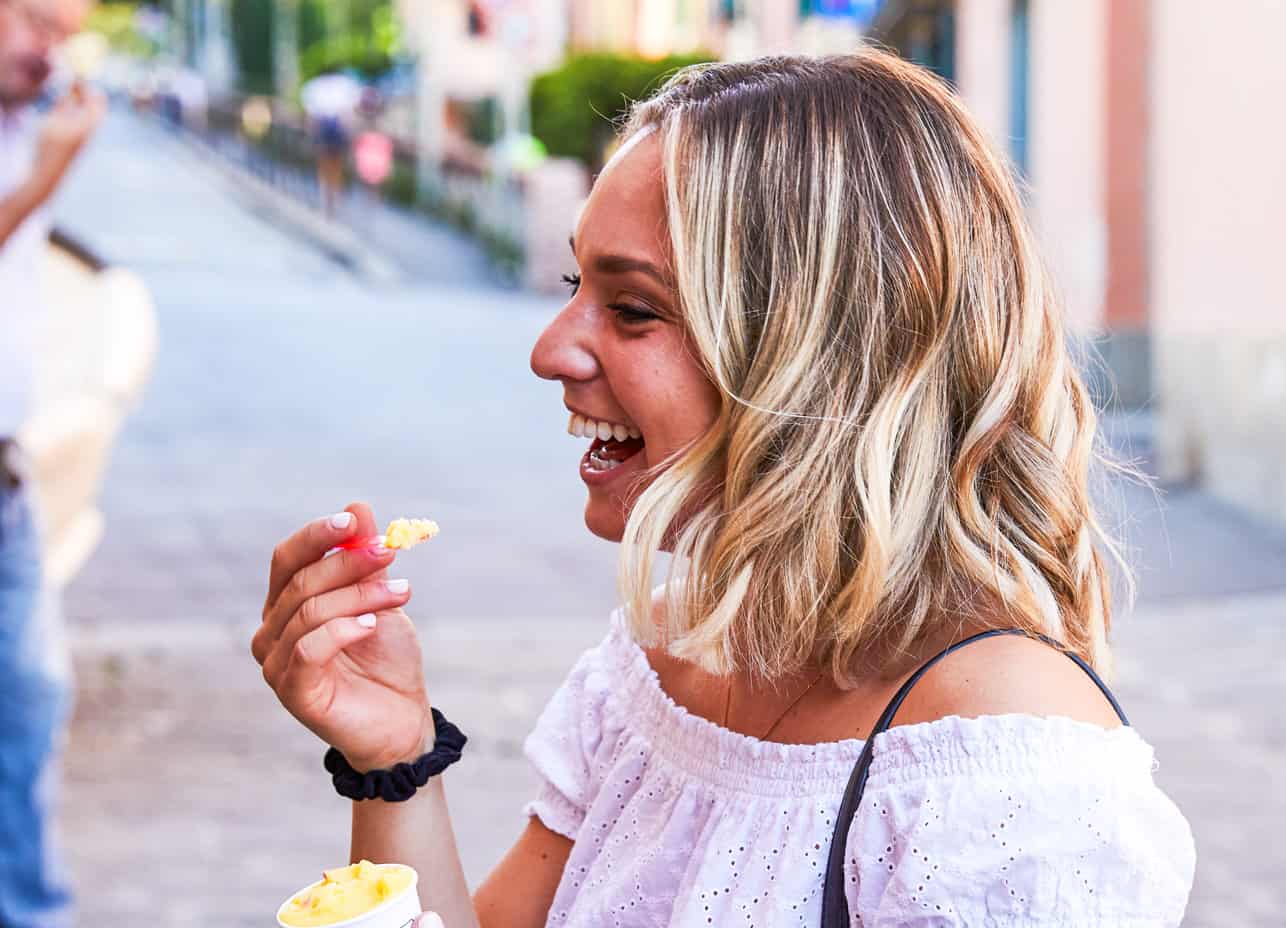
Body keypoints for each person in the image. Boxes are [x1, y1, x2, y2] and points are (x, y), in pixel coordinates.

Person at [252, 52, 1194, 927]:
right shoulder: (664, 658)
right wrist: (394, 759)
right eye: (577, 282)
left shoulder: (1009, 783)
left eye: (632, 308)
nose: (549, 350)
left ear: (826, 360)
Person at [0, 0, 102, 925]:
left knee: (30, 699)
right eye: (35, 19)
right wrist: (51, 173)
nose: (49, 48)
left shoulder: (23, 125)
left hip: (6, 475)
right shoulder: (36, 147)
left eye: (63, 32)